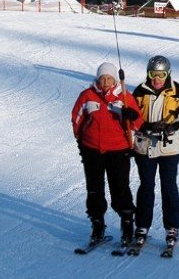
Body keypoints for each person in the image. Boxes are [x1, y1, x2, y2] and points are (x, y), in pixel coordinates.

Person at [71, 62, 142, 247]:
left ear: (114, 80)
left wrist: (131, 116)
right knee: (94, 189)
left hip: (118, 149)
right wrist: (81, 142)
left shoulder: (124, 97)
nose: (105, 81)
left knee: (120, 188)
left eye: (109, 78)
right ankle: (97, 225)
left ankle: (127, 226)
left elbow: (138, 123)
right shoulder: (87, 96)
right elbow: (77, 119)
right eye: (102, 78)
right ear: (97, 78)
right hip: (92, 149)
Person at [133, 55, 179, 250]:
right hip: (145, 146)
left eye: (161, 74)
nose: (157, 79)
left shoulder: (178, 91)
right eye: (153, 74)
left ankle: (172, 227)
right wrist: (146, 126)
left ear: (168, 74)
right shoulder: (140, 91)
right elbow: (132, 117)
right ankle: (142, 226)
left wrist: (170, 128)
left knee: (169, 187)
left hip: (168, 148)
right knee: (146, 187)